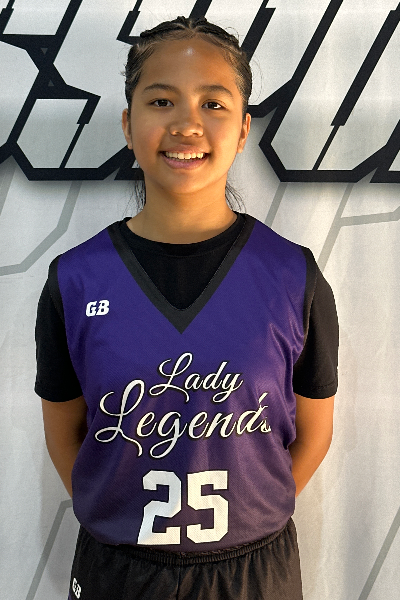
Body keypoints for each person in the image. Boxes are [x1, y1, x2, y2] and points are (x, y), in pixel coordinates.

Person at [35, 16, 338, 600]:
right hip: (118, 570)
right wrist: (120, 521)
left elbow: (314, 433)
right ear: (128, 124)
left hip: (253, 569)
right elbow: (64, 434)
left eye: (213, 103)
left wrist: (250, 520)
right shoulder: (74, 279)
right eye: (161, 100)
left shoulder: (293, 276)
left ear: (244, 129)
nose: (187, 123)